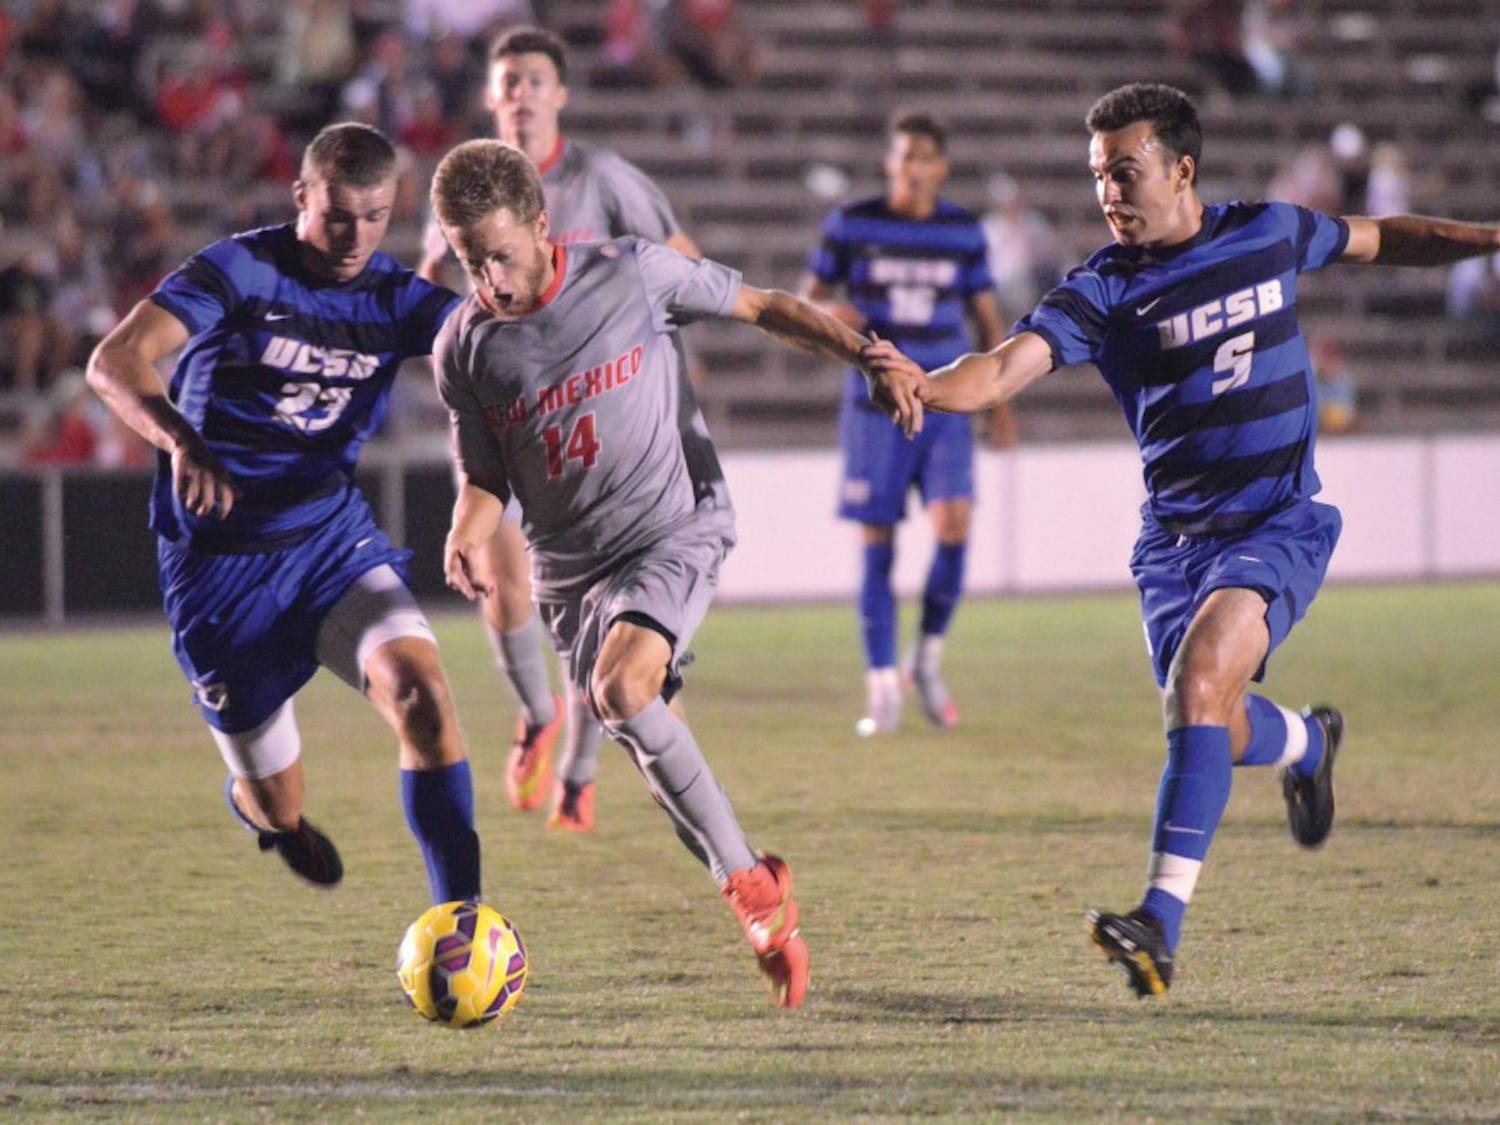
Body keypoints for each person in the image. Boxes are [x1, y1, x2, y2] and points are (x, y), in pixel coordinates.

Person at [861, 82, 1500, 997]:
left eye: (1125, 172)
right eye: (1097, 178)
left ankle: (1158, 925)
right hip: (1175, 544)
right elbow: (1002, 370)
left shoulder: (1269, 232)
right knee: (1209, 712)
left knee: (1200, 683)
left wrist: (1489, 238)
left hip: (1274, 521)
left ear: (1182, 169)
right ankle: (1308, 745)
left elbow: (1382, 237)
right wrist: (926, 382)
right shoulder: (1103, 289)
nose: (1108, 195)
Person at [427, 140, 918, 1007]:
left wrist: (867, 358)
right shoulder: (464, 347)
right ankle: (763, 904)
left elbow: (763, 307)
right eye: (471, 263)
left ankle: (752, 889)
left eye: (501, 255)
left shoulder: (633, 274)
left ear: (543, 227)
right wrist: (469, 524)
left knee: (619, 692)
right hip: (570, 578)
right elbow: (486, 472)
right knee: (656, 750)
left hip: (674, 528)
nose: (490, 281)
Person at [85, 122, 483, 910]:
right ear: (302, 197)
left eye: (374, 216)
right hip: (219, 568)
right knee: (279, 797)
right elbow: (115, 361)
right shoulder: (241, 269)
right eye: (338, 214)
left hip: (328, 540)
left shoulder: (395, 298)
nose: (355, 235)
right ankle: (265, 814)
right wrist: (182, 442)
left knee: (424, 697)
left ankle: (464, 921)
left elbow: (489, 346)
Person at [418, 25, 709, 833]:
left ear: (561, 95)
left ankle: (577, 771)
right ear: (489, 96)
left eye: (535, 79)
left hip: (596, 422)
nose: (520, 92)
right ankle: (534, 712)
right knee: (505, 584)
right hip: (508, 416)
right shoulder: (467, 189)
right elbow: (430, 287)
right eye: (507, 79)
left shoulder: (604, 179)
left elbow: (682, 264)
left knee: (597, 602)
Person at [801, 112, 1008, 733]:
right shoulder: (852, 222)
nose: (913, 168)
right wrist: (832, 310)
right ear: (889, 163)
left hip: (943, 396)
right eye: (903, 156)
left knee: (954, 523)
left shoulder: (963, 231)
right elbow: (805, 298)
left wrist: (1000, 402)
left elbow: (987, 319)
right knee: (878, 542)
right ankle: (882, 685)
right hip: (874, 404)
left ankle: (928, 656)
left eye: (925, 157)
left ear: (941, 167)